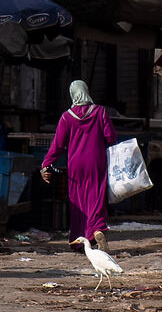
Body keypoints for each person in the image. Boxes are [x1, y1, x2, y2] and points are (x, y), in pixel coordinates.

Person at [41, 80, 116, 248]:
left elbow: (57, 145)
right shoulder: (100, 112)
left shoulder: (66, 117)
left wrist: (46, 164)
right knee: (96, 198)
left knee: (79, 202)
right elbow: (111, 137)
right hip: (97, 162)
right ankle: (97, 230)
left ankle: (80, 241)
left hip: (76, 165)